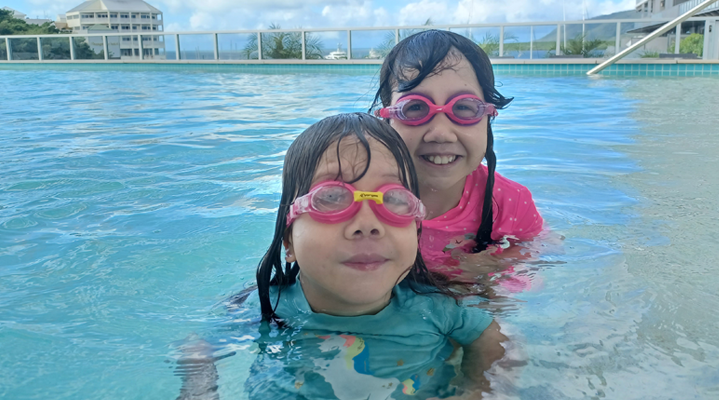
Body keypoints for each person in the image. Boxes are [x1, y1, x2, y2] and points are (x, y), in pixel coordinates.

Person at [176, 113, 512, 400]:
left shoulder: (437, 307)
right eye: (332, 197)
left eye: (394, 198)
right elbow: (198, 349)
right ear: (288, 241)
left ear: (416, 232)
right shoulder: (266, 306)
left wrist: (476, 389)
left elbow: (494, 341)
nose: (367, 225)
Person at [370, 30, 545, 282]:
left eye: (464, 108)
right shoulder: (363, 196)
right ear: (386, 119)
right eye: (415, 108)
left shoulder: (509, 202)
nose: (441, 134)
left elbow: (538, 249)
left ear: (488, 118)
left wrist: (496, 264)